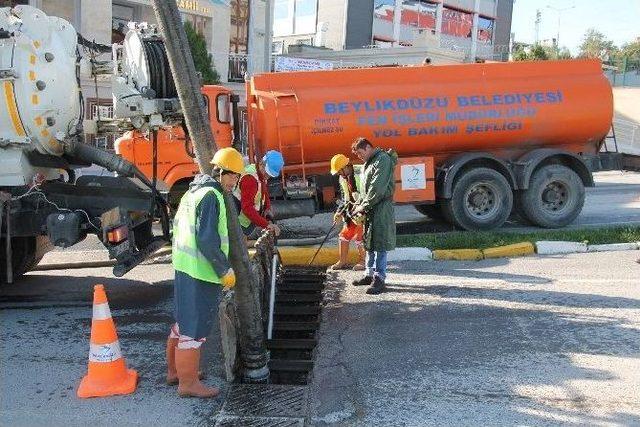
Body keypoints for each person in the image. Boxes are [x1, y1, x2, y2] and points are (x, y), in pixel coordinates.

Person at [167, 147, 244, 398]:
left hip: (184, 267)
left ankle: (176, 372)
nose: (235, 182)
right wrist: (224, 269)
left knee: (183, 322)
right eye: (233, 176)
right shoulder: (212, 196)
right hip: (201, 271)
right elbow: (208, 238)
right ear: (220, 172)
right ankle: (188, 384)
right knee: (195, 328)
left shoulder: (193, 191)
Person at [350, 137, 398, 295]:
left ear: (367, 148)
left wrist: (364, 205)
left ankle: (379, 278)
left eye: (359, 153)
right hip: (372, 207)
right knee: (369, 242)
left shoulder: (382, 160)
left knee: (380, 243)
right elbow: (366, 188)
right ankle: (369, 274)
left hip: (381, 207)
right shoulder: (370, 163)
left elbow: (377, 188)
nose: (359, 157)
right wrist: (360, 204)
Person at [234, 150, 285, 239]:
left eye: (270, 175)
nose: (267, 176)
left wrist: (267, 208)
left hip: (245, 223)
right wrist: (266, 224)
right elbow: (247, 208)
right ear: (261, 163)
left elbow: (264, 191)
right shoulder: (250, 179)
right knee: (240, 248)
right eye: (267, 173)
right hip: (238, 223)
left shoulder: (261, 174)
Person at [329, 153, 365, 270]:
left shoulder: (361, 173)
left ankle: (363, 262)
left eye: (339, 171)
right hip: (352, 211)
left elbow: (367, 195)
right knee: (344, 235)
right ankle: (342, 261)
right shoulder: (342, 178)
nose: (338, 174)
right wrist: (339, 212)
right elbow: (345, 198)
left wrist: (360, 209)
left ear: (346, 167)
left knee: (361, 237)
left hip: (363, 211)